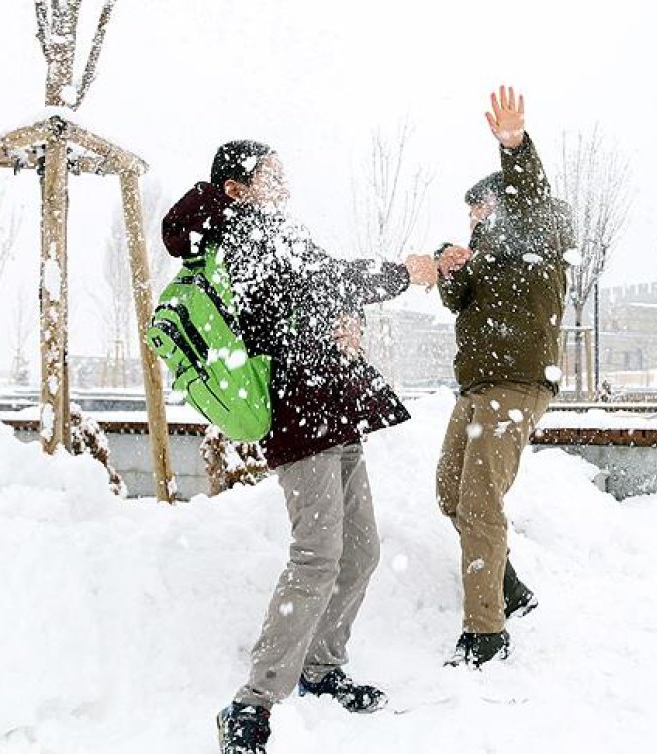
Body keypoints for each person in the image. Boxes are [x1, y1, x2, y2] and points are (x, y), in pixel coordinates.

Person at [161, 140, 439, 754]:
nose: (285, 184)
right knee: (317, 556)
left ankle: (321, 667)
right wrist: (404, 273)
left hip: (332, 409)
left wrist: (350, 322)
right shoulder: (239, 233)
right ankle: (251, 704)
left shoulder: (275, 231)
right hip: (298, 416)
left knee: (361, 550)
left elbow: (320, 293)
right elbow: (329, 279)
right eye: (271, 175)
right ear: (237, 188)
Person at [433, 86, 572, 668]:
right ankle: (509, 586)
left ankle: (486, 632)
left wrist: (514, 145)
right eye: (470, 214)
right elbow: (456, 301)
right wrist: (448, 266)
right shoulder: (483, 257)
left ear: (506, 204)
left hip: (516, 385)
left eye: (482, 209)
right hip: (478, 388)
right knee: (450, 492)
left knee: (481, 502)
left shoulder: (539, 235)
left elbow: (532, 194)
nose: (475, 220)